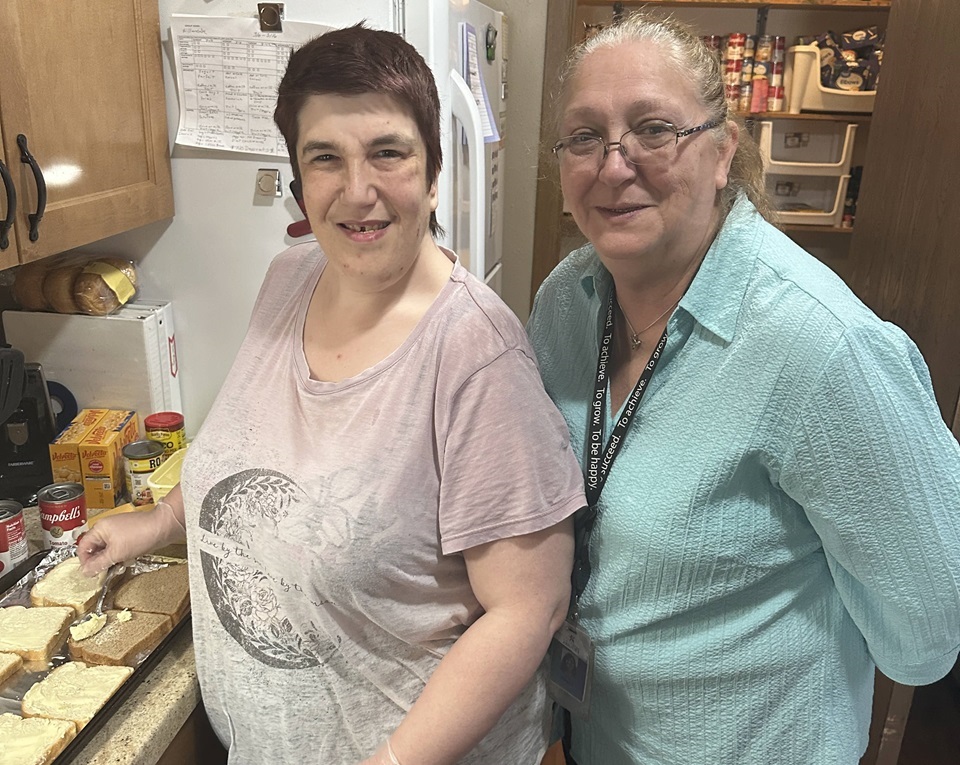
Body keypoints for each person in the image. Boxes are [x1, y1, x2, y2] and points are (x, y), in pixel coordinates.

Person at [79, 24, 587, 765]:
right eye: (326, 158)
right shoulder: (291, 277)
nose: (358, 190)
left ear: (433, 172)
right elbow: (255, 454)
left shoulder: (476, 355)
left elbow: (528, 608)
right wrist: (155, 522)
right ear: (298, 179)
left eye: (388, 151)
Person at [526, 10, 960, 765]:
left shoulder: (826, 348)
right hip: (595, 737)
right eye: (585, 136)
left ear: (724, 151)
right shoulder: (567, 300)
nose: (614, 163)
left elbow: (928, 628)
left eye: (654, 129)